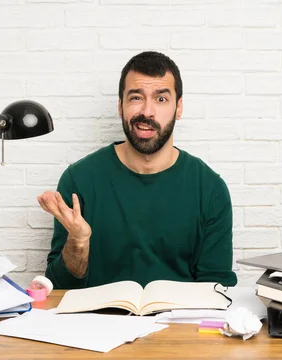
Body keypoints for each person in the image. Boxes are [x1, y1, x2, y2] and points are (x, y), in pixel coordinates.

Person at [37, 51, 237, 289]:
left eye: (161, 99)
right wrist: (78, 243)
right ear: (121, 106)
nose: (147, 112)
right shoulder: (78, 180)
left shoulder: (210, 189)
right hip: (96, 323)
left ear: (179, 108)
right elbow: (59, 289)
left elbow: (216, 288)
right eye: (136, 98)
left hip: (179, 323)